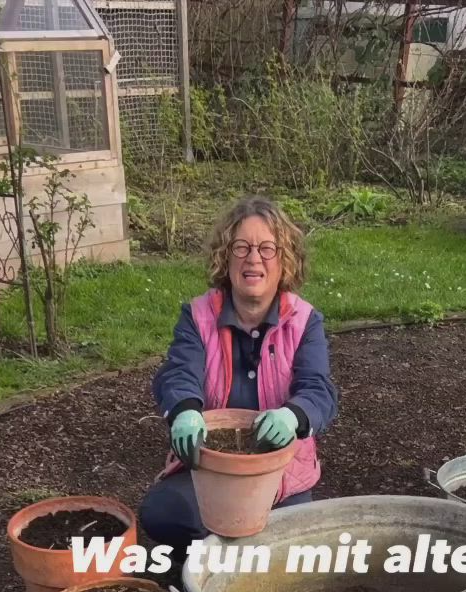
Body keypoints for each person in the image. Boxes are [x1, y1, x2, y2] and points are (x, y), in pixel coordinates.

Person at [140, 195, 338, 557]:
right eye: (241, 247)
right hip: (210, 467)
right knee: (163, 514)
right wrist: (184, 409)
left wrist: (293, 416)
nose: (253, 259)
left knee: (289, 544)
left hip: (280, 470)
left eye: (267, 248)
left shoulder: (305, 321)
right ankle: (218, 566)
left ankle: (228, 561)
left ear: (284, 260)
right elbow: (179, 372)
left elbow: (319, 390)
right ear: (225, 257)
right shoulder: (198, 316)